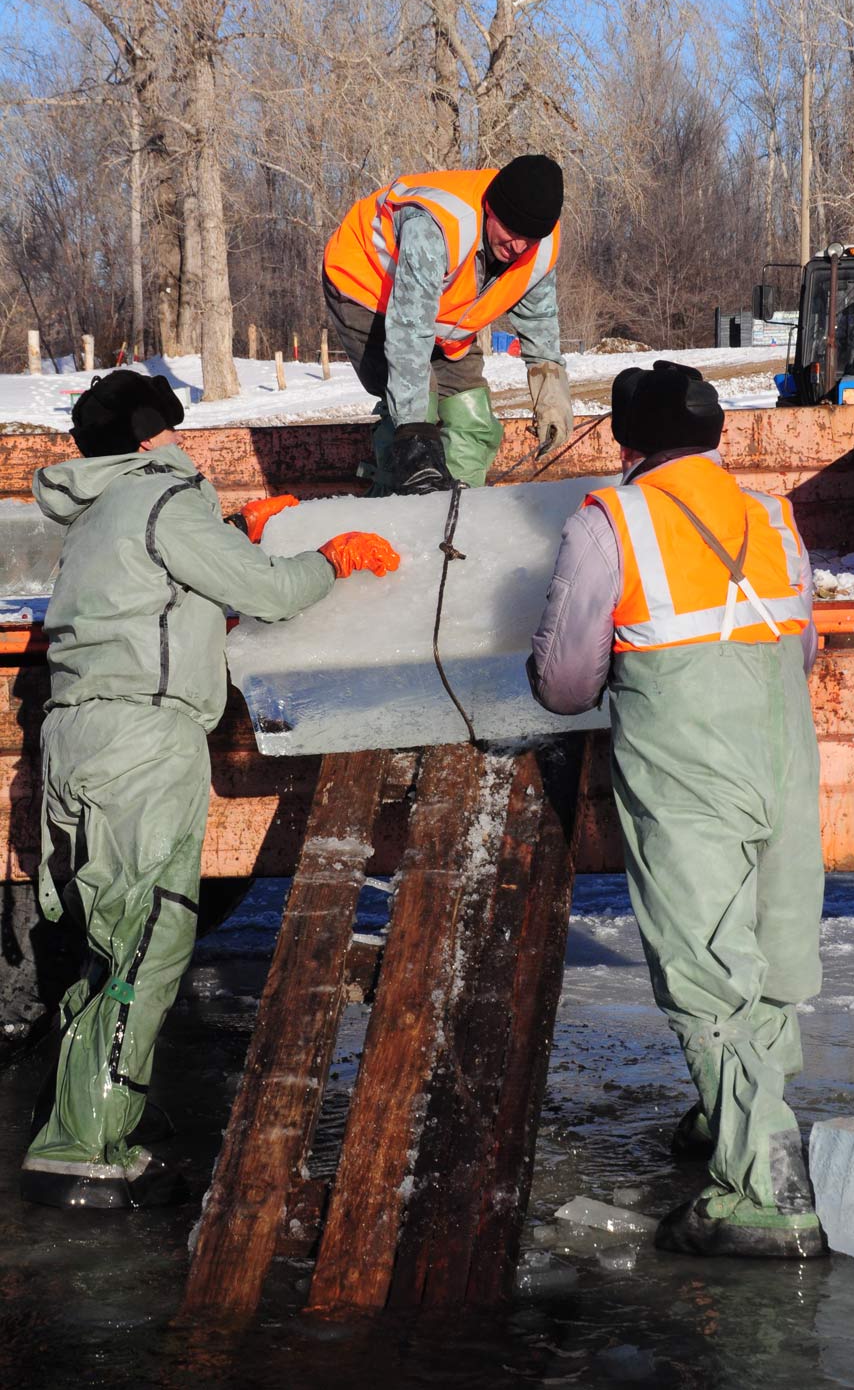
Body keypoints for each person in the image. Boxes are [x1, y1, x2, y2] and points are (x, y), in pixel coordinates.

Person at [22, 370, 400, 1211]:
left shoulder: (97, 512)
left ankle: (80, 1125)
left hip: (75, 733)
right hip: (141, 741)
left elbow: (160, 604)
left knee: (104, 940)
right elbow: (267, 595)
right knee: (151, 935)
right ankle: (87, 1150)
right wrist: (326, 562)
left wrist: (233, 533)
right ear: (155, 433)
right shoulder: (162, 495)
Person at [528, 360, 826, 1259]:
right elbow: (803, 646)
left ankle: (769, 1194)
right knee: (772, 954)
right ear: (714, 433)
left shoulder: (609, 522)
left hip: (687, 766)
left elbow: (565, 681)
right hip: (782, 754)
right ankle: (730, 1116)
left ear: (625, 441)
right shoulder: (772, 514)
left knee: (705, 969)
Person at [323, 154, 574, 495]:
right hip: (364, 289)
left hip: (444, 312)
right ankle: (393, 504)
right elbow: (410, 331)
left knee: (474, 419)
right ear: (491, 209)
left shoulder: (540, 246)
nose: (517, 246)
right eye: (510, 231)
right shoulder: (436, 226)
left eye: (528, 240)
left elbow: (540, 321)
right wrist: (413, 433)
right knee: (416, 409)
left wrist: (552, 400)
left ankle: (457, 518)